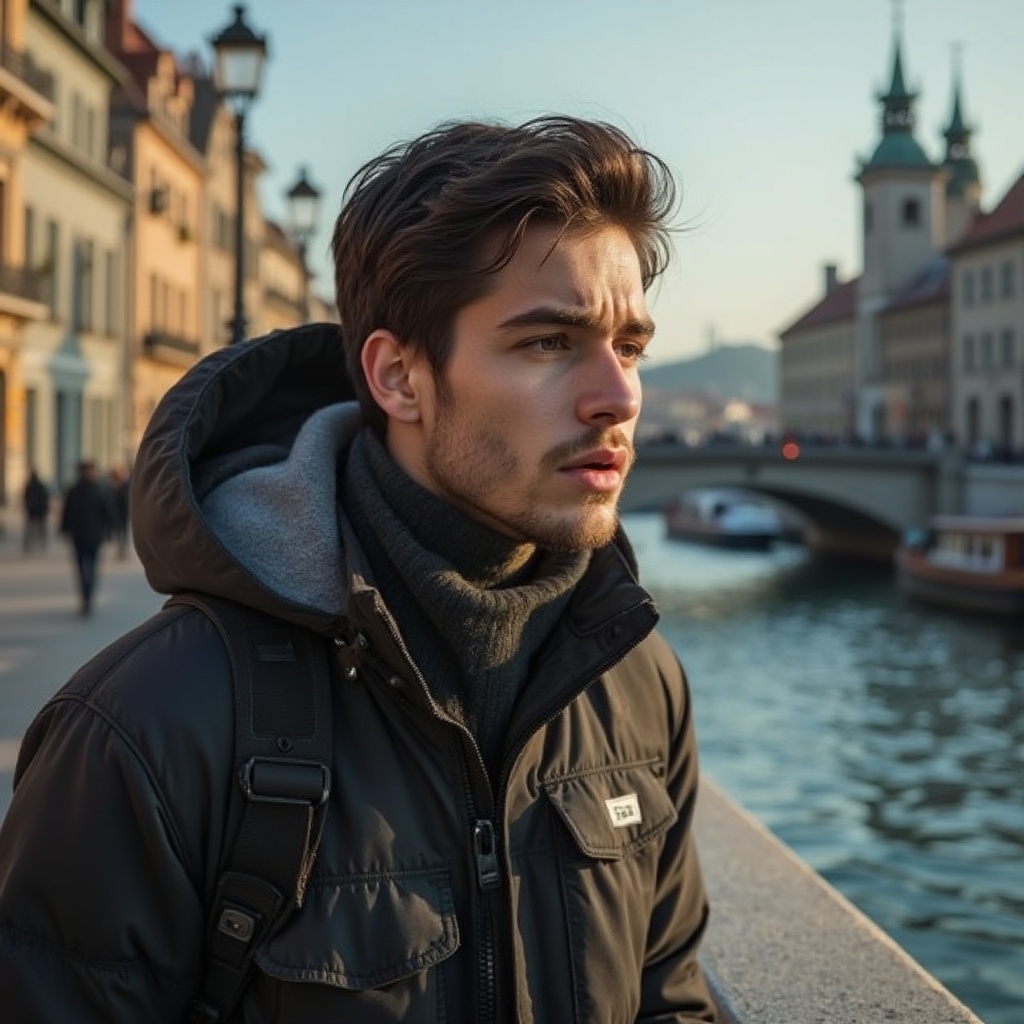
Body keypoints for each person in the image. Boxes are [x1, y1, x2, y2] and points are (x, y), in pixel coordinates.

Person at [0, 116, 717, 1022]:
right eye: (548, 343)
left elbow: (672, 1002)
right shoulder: (148, 726)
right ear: (399, 377)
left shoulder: (638, 681)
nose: (618, 397)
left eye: (629, 347)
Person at [58, 459, 116, 615]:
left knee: (92, 568)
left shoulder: (100, 490)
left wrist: (110, 531)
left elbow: (108, 512)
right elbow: (66, 512)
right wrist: (64, 529)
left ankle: (88, 597)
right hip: (79, 536)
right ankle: (85, 595)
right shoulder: (74, 491)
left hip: (94, 537)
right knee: (81, 569)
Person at [22, 468, 49, 552]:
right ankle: (42, 543)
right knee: (40, 528)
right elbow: (45, 498)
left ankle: (29, 545)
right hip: (39, 510)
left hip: (32, 510)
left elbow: (26, 498)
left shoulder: (29, 486)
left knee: (31, 529)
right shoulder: (40, 486)